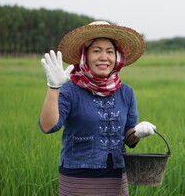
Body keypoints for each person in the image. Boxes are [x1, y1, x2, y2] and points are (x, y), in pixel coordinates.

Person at [39, 21, 156, 196]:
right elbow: (48, 126)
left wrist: (138, 133)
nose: (104, 57)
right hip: (78, 176)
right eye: (96, 50)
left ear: (116, 57)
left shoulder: (126, 92)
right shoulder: (70, 90)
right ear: (84, 56)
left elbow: (129, 139)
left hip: (116, 176)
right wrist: (53, 87)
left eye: (110, 51)